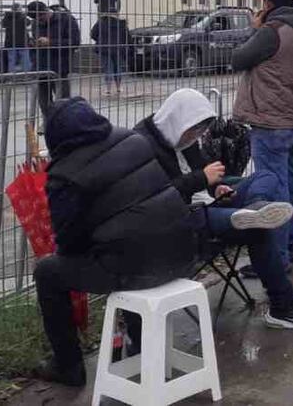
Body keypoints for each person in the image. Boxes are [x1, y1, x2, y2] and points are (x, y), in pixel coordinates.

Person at [33, 97, 198, 387]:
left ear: (56, 137)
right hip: (185, 256)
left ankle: (68, 367)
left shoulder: (63, 174)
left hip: (137, 269)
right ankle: (142, 343)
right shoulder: (133, 139)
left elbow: (69, 241)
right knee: (129, 245)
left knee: (48, 272)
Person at [135, 89, 293, 330]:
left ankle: (256, 205)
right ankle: (283, 306)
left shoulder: (183, 138)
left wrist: (217, 187)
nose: (196, 136)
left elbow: (206, 174)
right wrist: (201, 180)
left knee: (267, 176)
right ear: (178, 120)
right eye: (193, 130)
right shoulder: (141, 145)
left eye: (200, 131)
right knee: (255, 227)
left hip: (209, 202)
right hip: (181, 219)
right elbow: (153, 199)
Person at [232, 0, 293, 269]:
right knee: (291, 185)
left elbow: (238, 59)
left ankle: (275, 259)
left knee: (272, 191)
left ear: (267, 3)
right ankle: (290, 246)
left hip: (269, 122)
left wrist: (255, 29)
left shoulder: (271, 32)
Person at [27, 1, 80, 114]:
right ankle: (48, 125)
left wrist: (51, 42)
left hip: (60, 68)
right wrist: (34, 44)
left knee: (64, 103)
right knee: (44, 103)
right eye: (36, 20)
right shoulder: (35, 23)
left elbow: (75, 42)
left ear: (46, 11)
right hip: (41, 68)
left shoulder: (67, 19)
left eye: (41, 18)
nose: (40, 21)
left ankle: (65, 127)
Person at [90, 13, 129, 96]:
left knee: (108, 68)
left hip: (105, 48)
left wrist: (101, 39)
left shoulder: (101, 22)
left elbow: (93, 34)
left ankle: (108, 90)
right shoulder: (121, 23)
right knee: (117, 68)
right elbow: (127, 37)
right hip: (118, 48)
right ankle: (118, 88)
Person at [1, 3, 31, 73]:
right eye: (20, 8)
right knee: (25, 61)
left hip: (10, 43)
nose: (22, 9)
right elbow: (28, 23)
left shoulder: (7, 17)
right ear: (18, 9)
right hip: (23, 42)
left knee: (12, 61)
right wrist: (23, 14)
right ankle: (25, 77)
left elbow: (3, 25)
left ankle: (12, 77)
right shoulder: (22, 17)